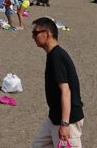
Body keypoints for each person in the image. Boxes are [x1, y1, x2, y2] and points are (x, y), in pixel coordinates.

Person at [30, 17, 84, 148]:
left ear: (47, 33)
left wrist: (65, 124)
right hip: (54, 117)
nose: (33, 37)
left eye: (35, 33)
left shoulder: (56, 57)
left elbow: (66, 91)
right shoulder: (53, 55)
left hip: (67, 119)